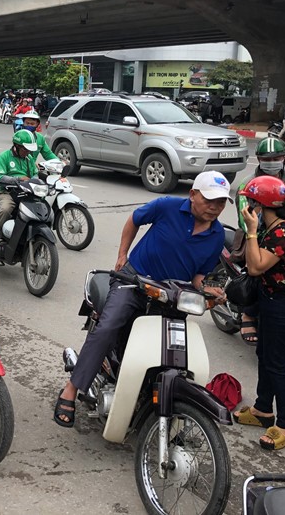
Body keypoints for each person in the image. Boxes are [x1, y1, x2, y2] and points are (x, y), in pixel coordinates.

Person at [54, 171, 229, 427]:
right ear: (193, 195)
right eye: (210, 200)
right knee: (108, 327)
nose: (215, 207)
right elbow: (134, 219)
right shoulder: (167, 206)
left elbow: (198, 276)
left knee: (175, 349)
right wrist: (122, 254)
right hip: (134, 281)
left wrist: (209, 290)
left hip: (171, 296)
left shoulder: (216, 236)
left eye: (221, 202)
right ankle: (70, 389)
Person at [234, 176, 285, 451]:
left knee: (277, 364)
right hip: (273, 300)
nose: (247, 205)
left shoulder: (281, 233)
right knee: (264, 356)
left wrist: (251, 231)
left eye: (250, 201)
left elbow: (255, 267)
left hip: (284, 305)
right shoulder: (282, 226)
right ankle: (264, 409)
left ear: (259, 205)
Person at [235, 137, 285, 345]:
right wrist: (259, 236)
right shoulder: (248, 186)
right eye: (266, 158)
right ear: (259, 160)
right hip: (256, 236)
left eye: (276, 158)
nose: (272, 162)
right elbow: (246, 220)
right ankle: (248, 313)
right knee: (258, 270)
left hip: (283, 238)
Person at [0, 130, 39, 260]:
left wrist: (36, 180)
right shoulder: (4, 156)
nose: (28, 152)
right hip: (7, 192)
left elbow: (35, 174)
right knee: (6, 209)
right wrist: (19, 180)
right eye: (25, 149)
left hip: (26, 192)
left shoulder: (29, 159)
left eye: (29, 150)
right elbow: (0, 177)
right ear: (17, 146)